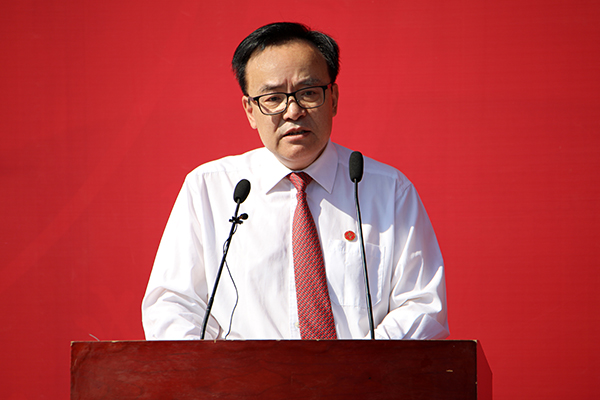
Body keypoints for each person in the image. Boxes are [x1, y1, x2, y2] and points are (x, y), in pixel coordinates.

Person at [142, 22, 449, 340]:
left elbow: (422, 305)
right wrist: (220, 369)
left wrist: (357, 366)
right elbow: (173, 306)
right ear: (250, 110)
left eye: (308, 93)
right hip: (239, 373)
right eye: (273, 98)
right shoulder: (209, 189)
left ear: (333, 99)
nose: (293, 111)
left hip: (365, 373)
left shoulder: (388, 191)